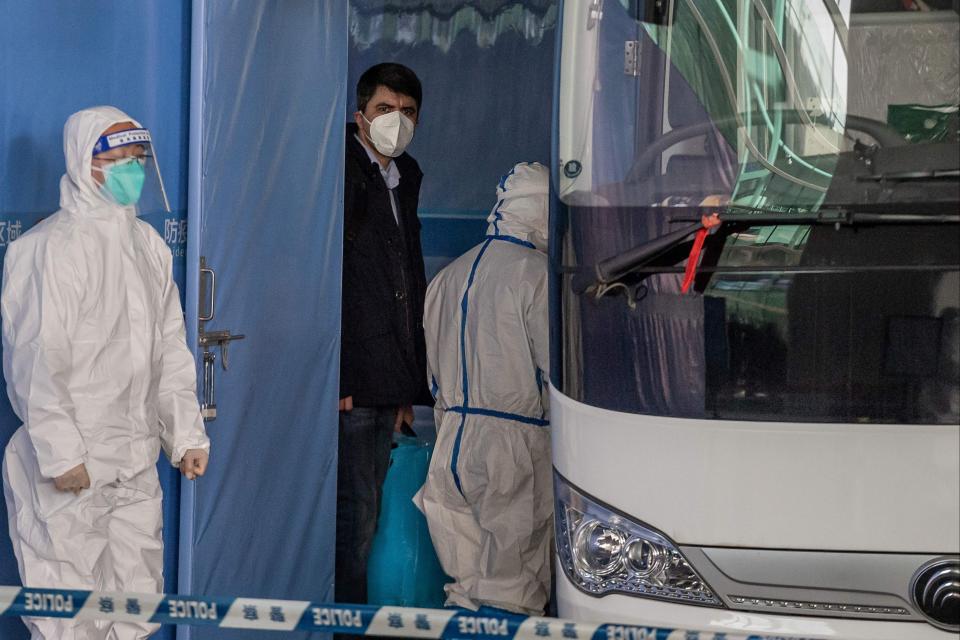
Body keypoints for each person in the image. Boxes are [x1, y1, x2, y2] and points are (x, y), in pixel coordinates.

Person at [1, 106, 210, 639]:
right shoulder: (46, 250)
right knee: (70, 614)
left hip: (135, 461)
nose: (130, 170)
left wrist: (184, 432)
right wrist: (61, 453)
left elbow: (169, 349)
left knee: (136, 603)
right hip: (72, 468)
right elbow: (34, 360)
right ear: (82, 161)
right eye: (116, 159)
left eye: (137, 159)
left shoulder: (149, 248)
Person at [414, 162, 552, 615]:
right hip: (514, 449)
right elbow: (554, 373)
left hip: (451, 442)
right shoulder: (537, 276)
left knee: (465, 584)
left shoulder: (448, 277)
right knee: (513, 585)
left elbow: (432, 374)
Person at [337, 63, 431, 607]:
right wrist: (340, 375)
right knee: (352, 520)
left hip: (385, 379)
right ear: (360, 116)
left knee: (368, 518)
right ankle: (339, 622)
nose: (396, 120)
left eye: (408, 112)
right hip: (352, 382)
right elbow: (336, 281)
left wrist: (404, 387)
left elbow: (406, 282)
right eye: (384, 110)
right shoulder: (343, 175)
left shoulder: (405, 177)